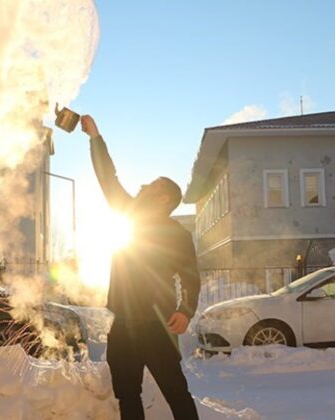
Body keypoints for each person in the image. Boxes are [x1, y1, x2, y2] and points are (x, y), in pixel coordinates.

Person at [81, 115, 200, 420]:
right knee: (128, 396)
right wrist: (95, 137)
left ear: (162, 198)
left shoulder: (178, 235)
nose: (144, 185)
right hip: (123, 326)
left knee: (176, 393)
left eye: (152, 184)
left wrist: (185, 311)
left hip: (158, 325)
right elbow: (108, 176)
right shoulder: (128, 213)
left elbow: (191, 279)